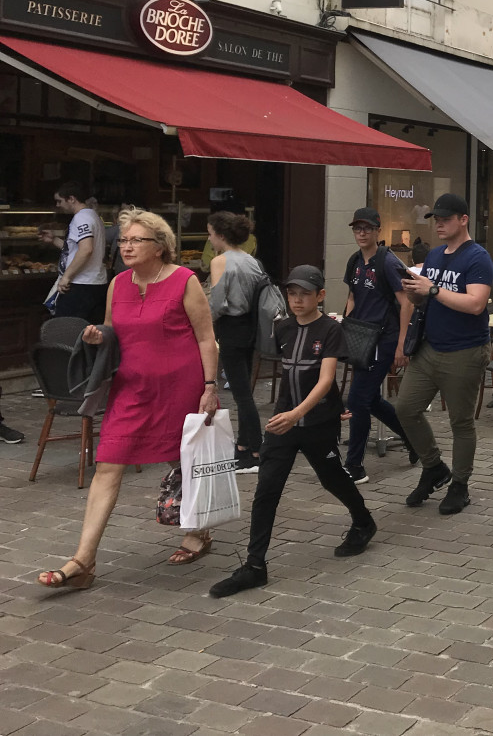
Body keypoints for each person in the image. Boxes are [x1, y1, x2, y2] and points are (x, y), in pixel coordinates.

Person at [37, 210, 219, 590]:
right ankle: (83, 561)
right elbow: (113, 331)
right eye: (123, 240)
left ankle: (198, 531)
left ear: (160, 247)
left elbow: (206, 338)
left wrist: (210, 386)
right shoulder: (117, 283)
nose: (127, 246)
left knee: (183, 459)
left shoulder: (185, 280)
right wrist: (98, 337)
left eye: (136, 240)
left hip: (179, 385)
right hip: (131, 388)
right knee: (107, 465)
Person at [209, 266, 378, 598]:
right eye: (292, 293)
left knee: (331, 477)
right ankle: (255, 566)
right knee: (266, 490)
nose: (297, 300)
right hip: (282, 425)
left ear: (320, 295)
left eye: (304, 293)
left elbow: (327, 379)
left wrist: (298, 413)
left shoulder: (330, 330)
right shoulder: (282, 328)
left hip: (317, 423)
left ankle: (363, 521)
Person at [396, 194, 493, 515]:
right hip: (429, 348)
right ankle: (434, 466)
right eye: (435, 219)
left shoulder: (478, 258)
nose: (438, 223)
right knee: (406, 407)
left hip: (464, 351)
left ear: (463, 219)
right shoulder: (435, 255)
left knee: (461, 422)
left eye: (445, 218)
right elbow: (429, 300)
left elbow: (476, 303)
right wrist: (418, 293)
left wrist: (433, 290)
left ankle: (460, 485)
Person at [342, 207, 415, 484]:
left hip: (383, 338)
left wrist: (401, 345)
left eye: (367, 229)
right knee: (370, 400)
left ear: (376, 231)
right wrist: (346, 328)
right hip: (360, 337)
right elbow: (352, 296)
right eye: (357, 229)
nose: (361, 233)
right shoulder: (354, 261)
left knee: (358, 400)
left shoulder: (387, 262)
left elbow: (406, 301)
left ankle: (354, 466)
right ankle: (414, 439)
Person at [206, 211, 266, 473]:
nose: (210, 239)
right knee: (244, 390)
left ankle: (255, 450)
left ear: (220, 235)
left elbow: (217, 304)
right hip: (250, 327)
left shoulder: (220, 262)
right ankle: (243, 446)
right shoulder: (252, 262)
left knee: (241, 395)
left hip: (230, 327)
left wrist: (203, 317)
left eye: (210, 234)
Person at [51, 182, 108, 322]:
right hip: (96, 281)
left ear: (72, 199)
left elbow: (86, 249)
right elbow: (75, 249)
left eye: (60, 201)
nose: (58, 205)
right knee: (90, 330)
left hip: (81, 283)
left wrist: (66, 277)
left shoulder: (81, 218)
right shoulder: (93, 216)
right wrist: (53, 239)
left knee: (67, 328)